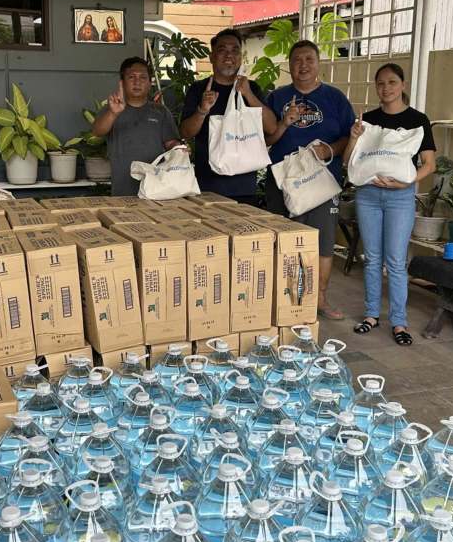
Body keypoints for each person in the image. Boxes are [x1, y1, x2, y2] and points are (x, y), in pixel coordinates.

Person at [343, 63, 436, 346]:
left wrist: (407, 183)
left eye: (392, 82)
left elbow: (429, 164)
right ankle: (371, 315)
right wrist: (353, 137)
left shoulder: (418, 120)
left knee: (395, 261)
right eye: (381, 83)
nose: (386, 88)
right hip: (368, 195)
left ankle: (399, 322)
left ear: (403, 85)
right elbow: (349, 161)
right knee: (372, 258)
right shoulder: (367, 120)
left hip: (400, 198)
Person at [265, 40, 355, 321]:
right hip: (283, 181)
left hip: (322, 182)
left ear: (318, 64)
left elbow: (349, 136)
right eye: (297, 60)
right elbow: (265, 139)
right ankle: (282, 299)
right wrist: (285, 122)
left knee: (323, 243)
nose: (303, 65)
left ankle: (319, 299)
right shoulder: (276, 98)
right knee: (282, 241)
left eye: (309, 60)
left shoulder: (335, 98)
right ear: (289, 66)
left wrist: (330, 150)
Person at [180, 28, 277, 204]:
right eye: (222, 50)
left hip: (245, 187)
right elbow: (186, 132)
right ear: (212, 57)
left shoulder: (252, 88)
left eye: (235, 50)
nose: (229, 55)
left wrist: (248, 94)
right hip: (208, 187)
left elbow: (271, 128)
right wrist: (202, 110)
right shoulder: (199, 89)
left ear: (241, 57)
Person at [92, 56, 180, 196]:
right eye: (131, 77)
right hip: (123, 190)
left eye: (143, 77)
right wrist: (113, 113)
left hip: (156, 189)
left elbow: (170, 143)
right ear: (122, 83)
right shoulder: (111, 109)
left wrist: (179, 148)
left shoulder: (161, 111)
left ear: (150, 83)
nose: (137, 82)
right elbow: (97, 131)